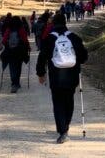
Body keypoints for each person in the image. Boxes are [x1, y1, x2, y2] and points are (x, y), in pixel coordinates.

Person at [36, 14, 88, 144]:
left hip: (56, 76)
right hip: (72, 76)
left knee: (58, 103)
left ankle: (62, 131)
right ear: (65, 22)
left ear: (53, 23)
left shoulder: (49, 39)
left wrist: (41, 73)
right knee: (69, 101)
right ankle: (66, 127)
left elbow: (42, 57)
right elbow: (83, 58)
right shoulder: (74, 37)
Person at [1, 16, 31, 93]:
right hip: (20, 51)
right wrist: (28, 47)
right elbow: (25, 40)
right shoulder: (21, 29)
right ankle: (17, 83)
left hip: (10, 52)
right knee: (18, 67)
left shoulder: (9, 29)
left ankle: (14, 83)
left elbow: (4, 41)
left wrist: (7, 45)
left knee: (12, 67)